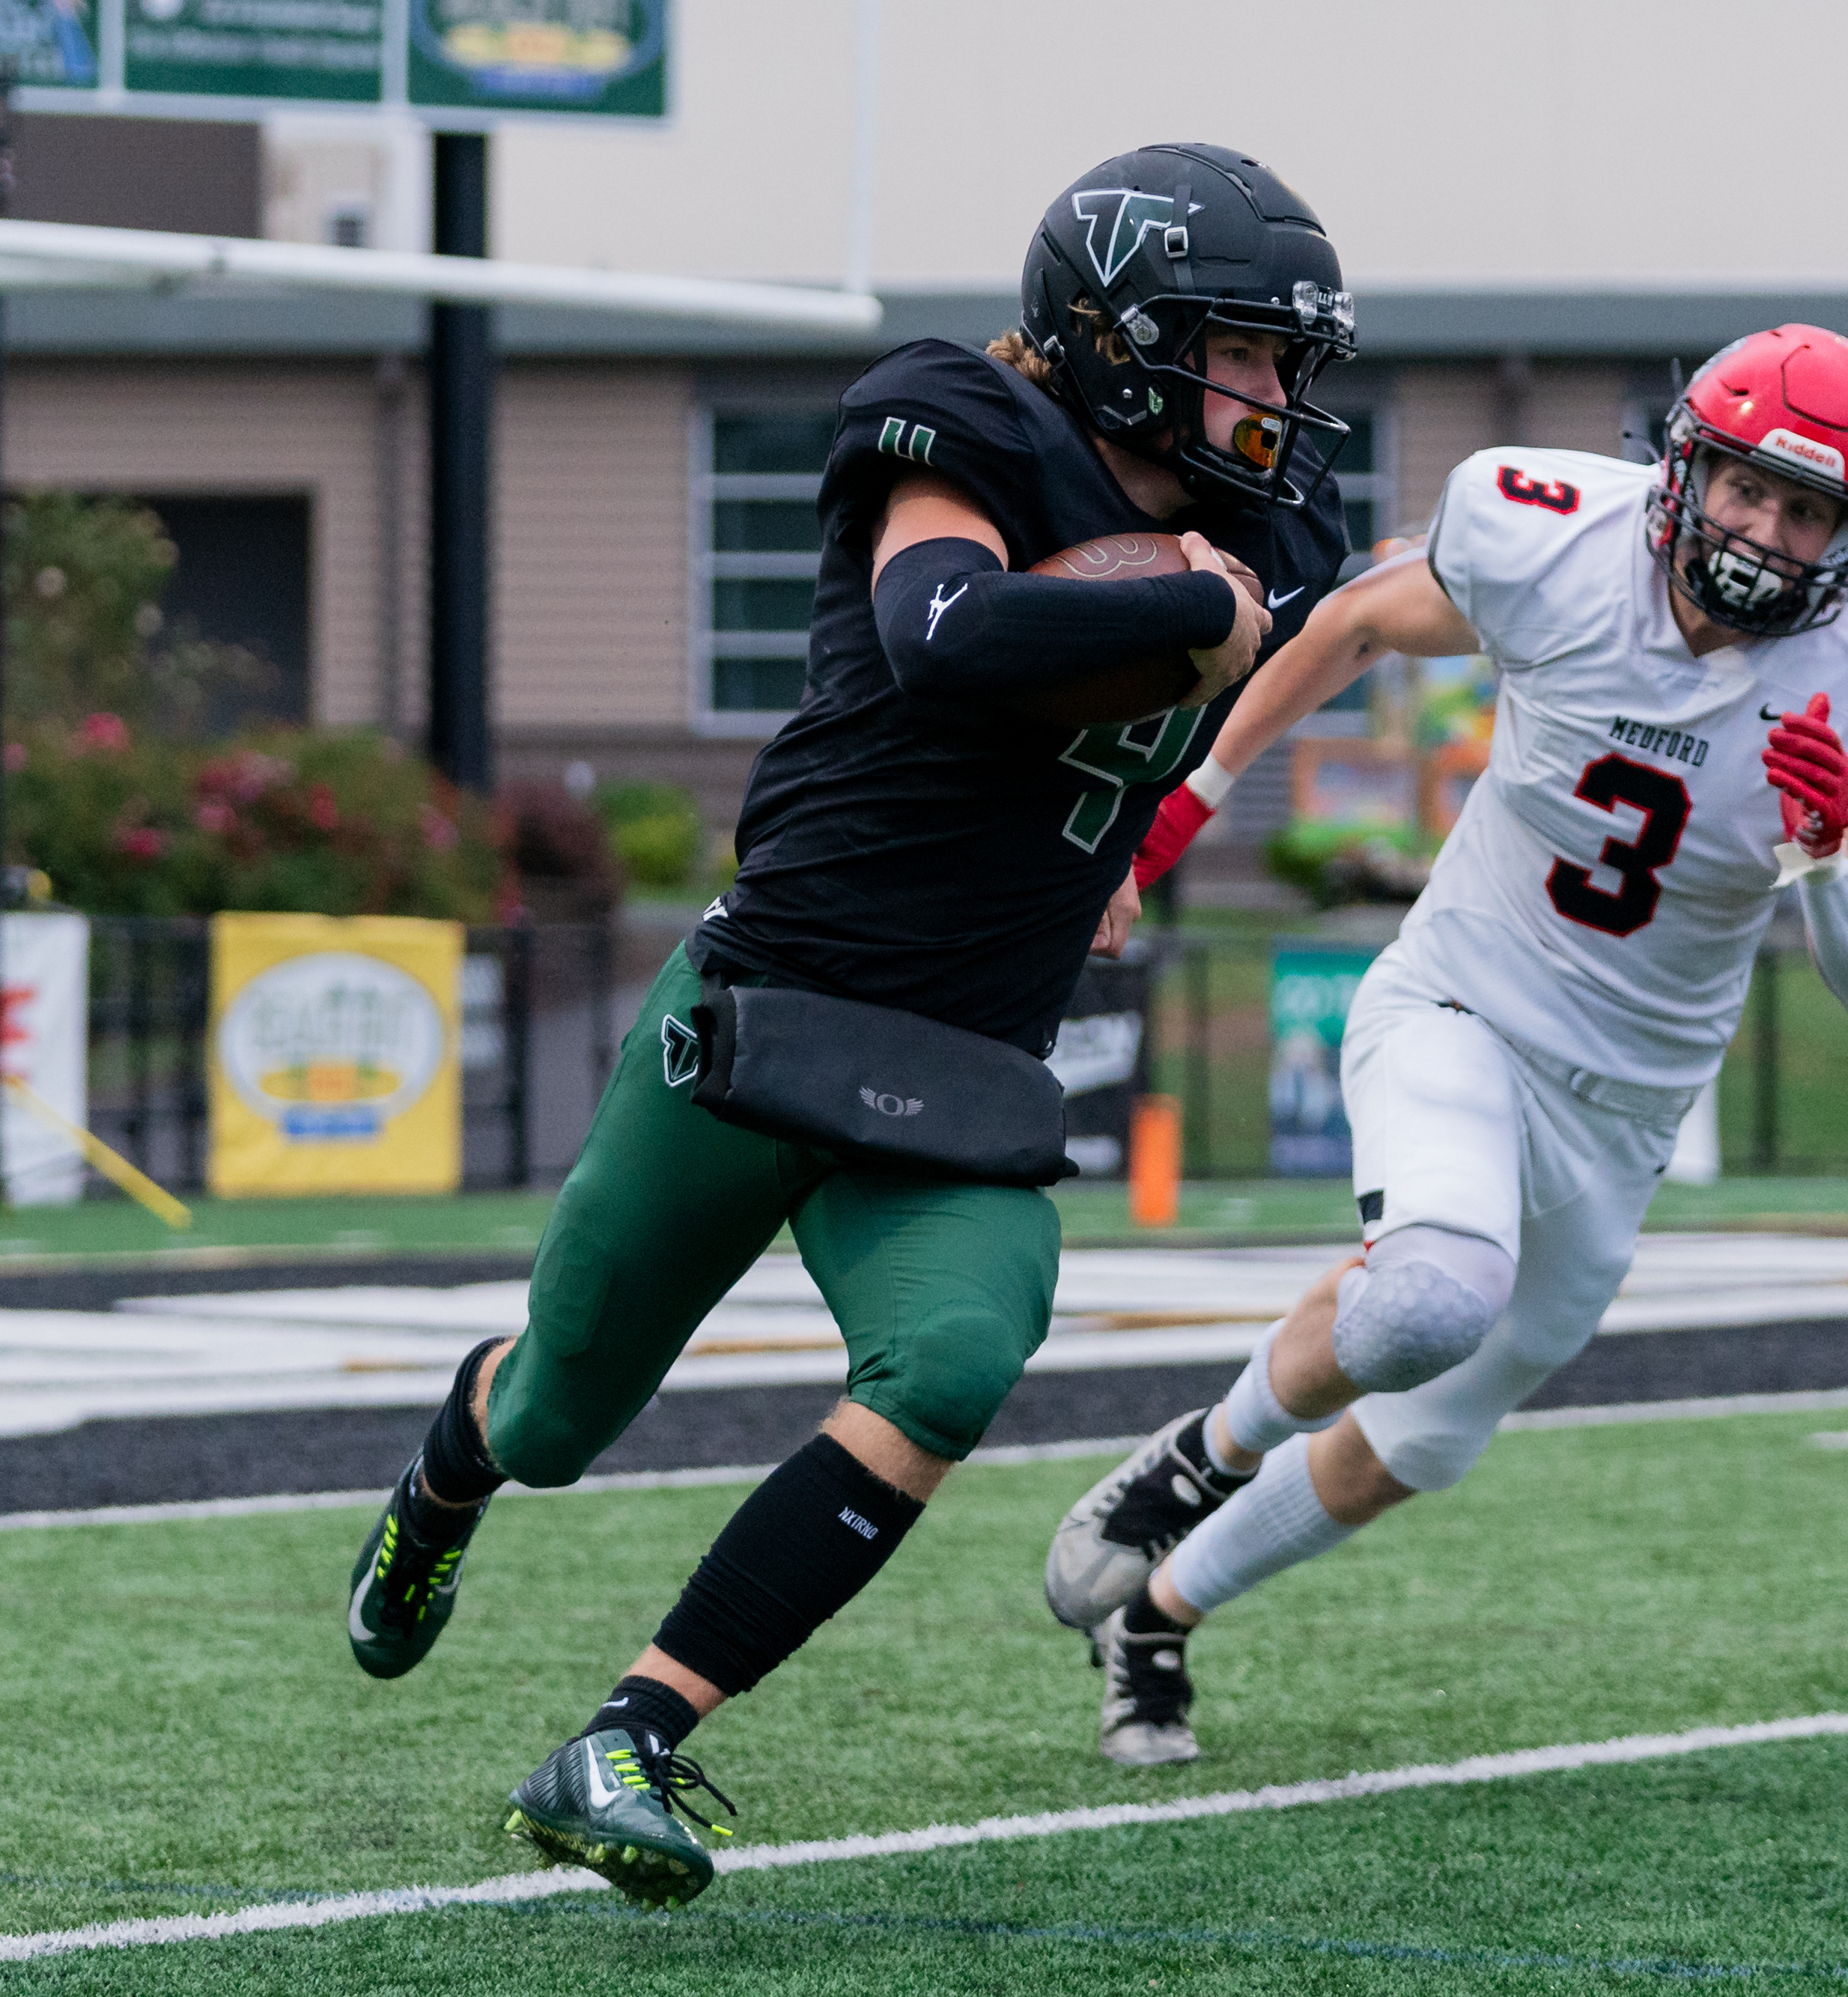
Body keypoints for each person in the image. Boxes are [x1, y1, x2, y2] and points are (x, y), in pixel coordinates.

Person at [336, 142, 1356, 1902]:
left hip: (958, 1070)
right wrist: (1194, 608)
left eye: (1283, 359)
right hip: (766, 1014)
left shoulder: (1278, 534)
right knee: (561, 1413)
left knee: (959, 1353)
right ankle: (446, 1473)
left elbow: (1327, 632)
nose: (1270, 395)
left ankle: (631, 1731)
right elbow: (941, 626)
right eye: (1240, 349)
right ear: (1114, 335)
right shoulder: (958, 419)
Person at [1044, 325, 1848, 1763]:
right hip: (1463, 1004)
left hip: (1625, 1109)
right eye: (1748, 489)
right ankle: (1195, 1459)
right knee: (1430, 1295)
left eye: (1810, 513)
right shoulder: (1554, 540)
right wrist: (1181, 813)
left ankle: (1162, 1613)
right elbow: (1353, 622)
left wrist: (1816, 857)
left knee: (1419, 1442)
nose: (1767, 532)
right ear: (1686, 469)